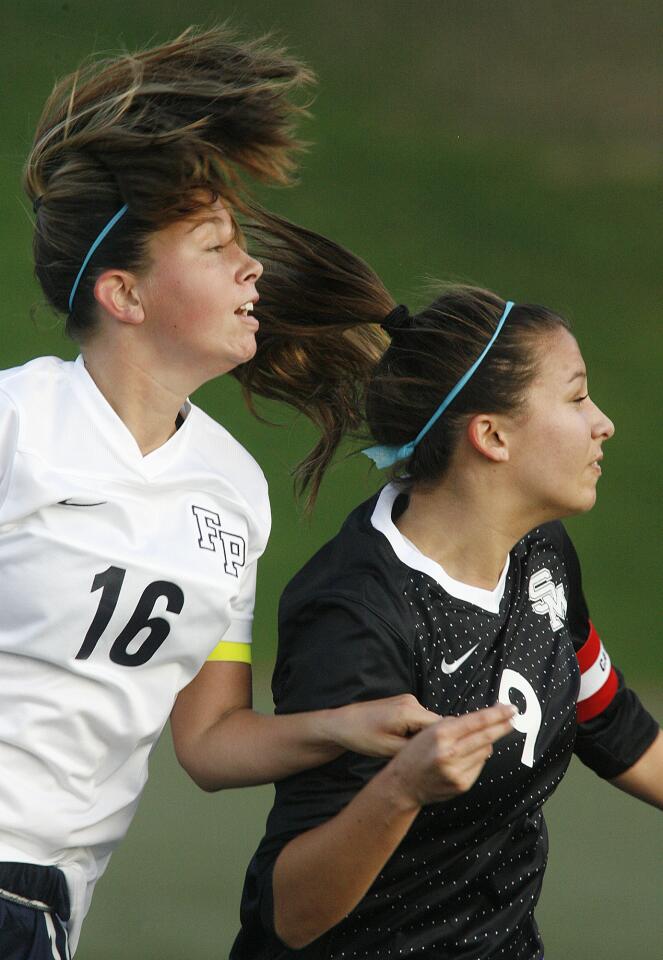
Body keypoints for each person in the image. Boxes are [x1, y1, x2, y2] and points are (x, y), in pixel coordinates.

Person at [0, 28, 457, 959]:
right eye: (215, 246)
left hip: (50, 904)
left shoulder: (231, 490)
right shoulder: (17, 424)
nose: (252, 268)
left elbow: (208, 744)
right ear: (125, 295)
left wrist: (343, 725)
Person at [229, 231, 663, 959]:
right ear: (490, 435)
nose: (602, 423)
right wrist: (400, 787)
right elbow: (291, 911)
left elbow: (607, 718)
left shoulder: (539, 553)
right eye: (576, 396)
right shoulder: (358, 613)